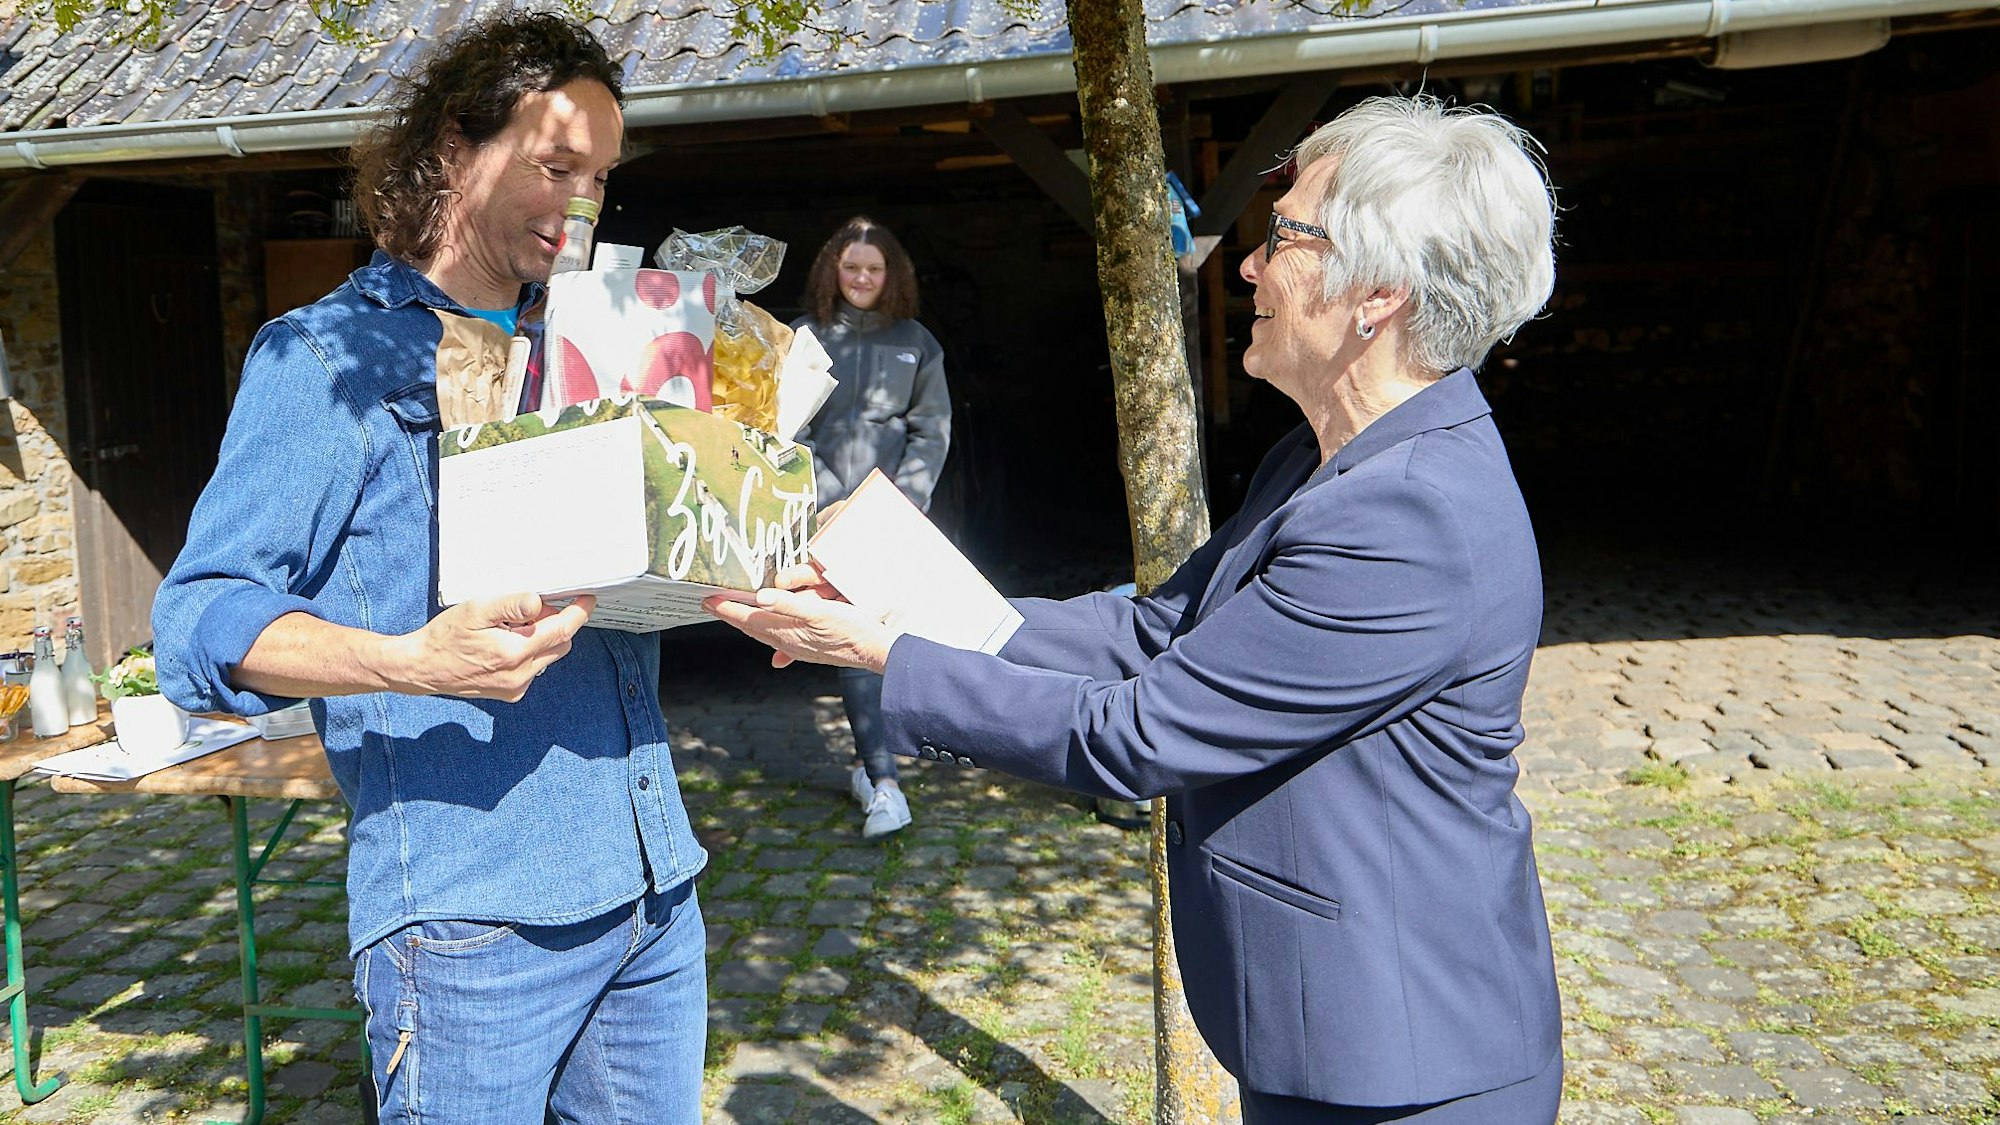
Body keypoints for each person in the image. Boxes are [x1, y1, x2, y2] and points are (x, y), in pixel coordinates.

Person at [713, 95, 1563, 1124]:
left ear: (1375, 291)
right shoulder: (1327, 457)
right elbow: (1155, 632)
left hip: (1405, 1059)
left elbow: (1140, 732)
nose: (1246, 265)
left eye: (1282, 235)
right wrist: (884, 582)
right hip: (1332, 1029)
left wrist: (888, 655)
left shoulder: (1405, 515)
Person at [150, 14, 707, 1123]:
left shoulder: (594, 354)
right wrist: (411, 661)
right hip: (470, 924)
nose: (583, 203)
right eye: (556, 166)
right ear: (455, 150)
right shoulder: (323, 361)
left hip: (654, 890)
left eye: (598, 177)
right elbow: (199, 624)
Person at [792, 217, 951, 840]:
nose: (862, 277)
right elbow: (787, 431)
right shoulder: (805, 338)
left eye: (874, 268)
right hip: (822, 513)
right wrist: (833, 501)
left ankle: (873, 765)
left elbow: (930, 430)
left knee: (890, 633)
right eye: (852, 266)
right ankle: (885, 781)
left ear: (893, 276)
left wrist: (902, 501)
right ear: (834, 268)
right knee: (854, 636)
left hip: (894, 517)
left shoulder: (917, 341)